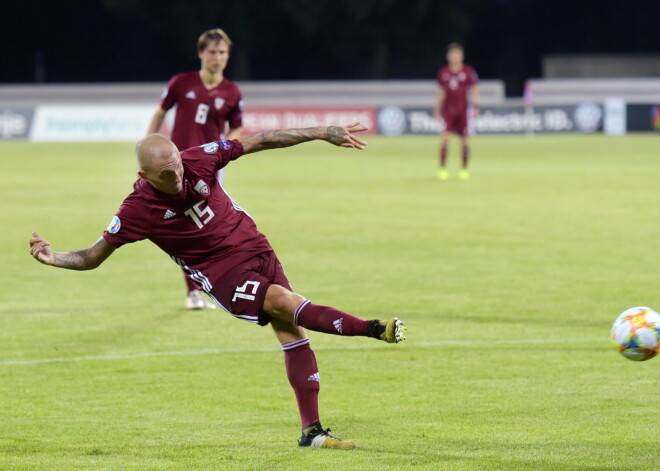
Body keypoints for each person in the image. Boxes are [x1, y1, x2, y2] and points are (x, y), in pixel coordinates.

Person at [29, 123, 406, 450]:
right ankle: (372, 328)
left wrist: (323, 133)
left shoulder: (199, 158)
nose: (176, 177)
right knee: (285, 303)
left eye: (176, 166)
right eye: (164, 174)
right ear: (144, 176)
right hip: (222, 274)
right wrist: (55, 257)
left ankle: (312, 433)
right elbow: (93, 256)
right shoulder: (137, 209)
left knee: (292, 331)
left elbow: (264, 140)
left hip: (257, 248)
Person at [147, 28, 243, 310]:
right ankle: (195, 291)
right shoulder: (181, 83)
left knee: (209, 224)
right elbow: (160, 111)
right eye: (212, 52)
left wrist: (227, 146)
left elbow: (237, 125)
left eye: (222, 52)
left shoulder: (232, 92)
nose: (218, 57)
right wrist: (148, 146)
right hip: (177, 165)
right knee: (185, 225)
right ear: (201, 53)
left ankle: (206, 285)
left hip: (211, 165)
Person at [433, 43, 480, 181]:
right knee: (445, 139)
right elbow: (441, 93)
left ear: (462, 56)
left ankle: (464, 169)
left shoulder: (468, 71)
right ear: (448, 56)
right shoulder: (443, 73)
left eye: (458, 54)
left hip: (463, 111)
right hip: (448, 111)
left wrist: (476, 106)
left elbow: (474, 90)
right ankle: (442, 168)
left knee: (465, 141)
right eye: (453, 54)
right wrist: (437, 109)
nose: (455, 57)